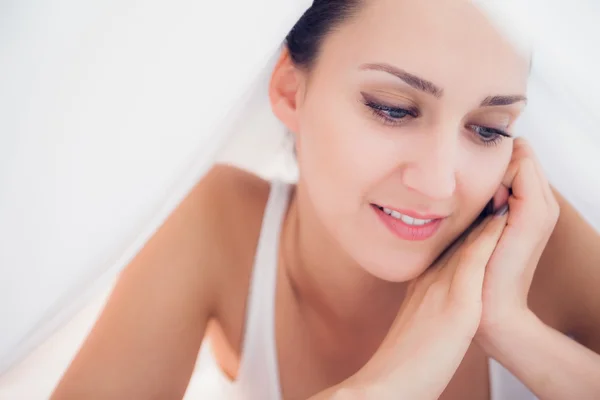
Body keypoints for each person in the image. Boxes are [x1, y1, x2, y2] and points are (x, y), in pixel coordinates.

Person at [51, 0, 600, 399]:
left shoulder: (538, 249)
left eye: (488, 129)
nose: (438, 183)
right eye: (392, 108)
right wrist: (382, 389)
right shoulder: (217, 229)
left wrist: (511, 330)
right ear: (291, 90)